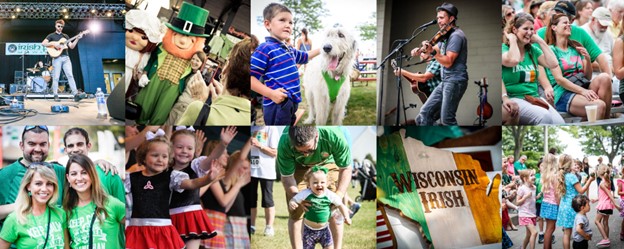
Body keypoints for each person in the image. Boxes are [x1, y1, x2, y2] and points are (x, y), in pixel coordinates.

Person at [124, 135, 222, 249]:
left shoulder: (171, 177)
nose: (160, 159)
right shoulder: (131, 178)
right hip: (137, 230)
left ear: (169, 159)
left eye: (164, 156)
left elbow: (192, 183)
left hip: (162, 230)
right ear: (143, 157)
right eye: (155, 155)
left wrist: (208, 178)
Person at [277, 126, 352, 249]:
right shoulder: (285, 143)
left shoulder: (333, 136)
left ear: (316, 136)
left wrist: (338, 196)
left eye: (309, 150)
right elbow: (287, 177)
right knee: (296, 211)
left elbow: (346, 169)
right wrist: (298, 199)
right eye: (301, 151)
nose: (306, 155)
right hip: (298, 165)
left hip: (326, 162)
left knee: (333, 208)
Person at [250, 3, 321, 125]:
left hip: (292, 102)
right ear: (268, 24)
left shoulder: (288, 48)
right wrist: (271, 94)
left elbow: (305, 56)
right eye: (282, 20)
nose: (288, 25)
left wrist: (322, 49)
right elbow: (250, 78)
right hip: (277, 105)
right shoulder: (265, 48)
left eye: (290, 22)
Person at [168, 128, 237, 249]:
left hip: (191, 216)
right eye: (179, 147)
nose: (184, 151)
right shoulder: (165, 170)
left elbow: (211, 158)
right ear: (171, 147)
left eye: (189, 148)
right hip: (169, 218)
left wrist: (223, 144)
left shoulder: (195, 166)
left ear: (195, 150)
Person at [544, 13, 612, 120]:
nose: (569, 25)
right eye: (565, 23)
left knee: (605, 77)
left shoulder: (574, 48)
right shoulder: (551, 50)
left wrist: (587, 59)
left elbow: (587, 77)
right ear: (554, 28)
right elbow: (559, 80)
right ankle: (596, 126)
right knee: (599, 106)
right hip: (563, 92)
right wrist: (583, 92)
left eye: (569, 23)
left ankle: (604, 123)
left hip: (581, 86)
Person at [178, 37, 258, 125]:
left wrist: (201, 102)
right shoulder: (252, 118)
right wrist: (218, 103)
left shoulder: (197, 109)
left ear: (225, 69)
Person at [0, 126, 66, 231]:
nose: (38, 149)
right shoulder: (5, 175)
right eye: (32, 144)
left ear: (48, 145)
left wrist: (97, 163)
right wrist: (21, 205)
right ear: (22, 145)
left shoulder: (59, 171)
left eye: (43, 144)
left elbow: (81, 175)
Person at [411, 2, 468, 125]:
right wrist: (421, 50)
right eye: (437, 18)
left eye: (441, 17)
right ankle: (432, 140)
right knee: (423, 116)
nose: (438, 21)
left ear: (451, 18)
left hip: (455, 81)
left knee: (447, 119)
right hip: (446, 81)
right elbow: (435, 49)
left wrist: (432, 52)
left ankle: (454, 142)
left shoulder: (456, 36)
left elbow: (447, 62)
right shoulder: (445, 36)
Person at [502, 12, 564, 124]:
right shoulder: (503, 49)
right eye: (525, 29)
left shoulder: (532, 50)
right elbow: (513, 60)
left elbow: (553, 64)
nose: (529, 32)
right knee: (544, 116)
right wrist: (512, 40)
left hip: (534, 98)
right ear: (515, 30)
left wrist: (540, 41)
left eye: (532, 29)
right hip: (515, 98)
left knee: (560, 123)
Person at [63, 154, 125, 249]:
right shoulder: (66, 211)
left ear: (92, 175)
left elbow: (137, 226)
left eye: (84, 172)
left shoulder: (111, 203)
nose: (79, 178)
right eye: (74, 174)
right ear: (68, 178)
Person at [0, 165, 67, 249]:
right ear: (28, 186)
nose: (44, 189)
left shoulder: (60, 213)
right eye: (38, 183)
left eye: (49, 184)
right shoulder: (14, 219)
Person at [288, 166, 352, 249]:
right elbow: (294, 199)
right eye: (315, 182)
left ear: (327, 183)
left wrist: (347, 217)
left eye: (322, 182)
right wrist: (292, 203)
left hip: (324, 230)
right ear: (308, 184)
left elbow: (341, 205)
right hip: (308, 231)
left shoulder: (330, 195)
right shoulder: (305, 193)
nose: (319, 185)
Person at [63, 127, 124, 202]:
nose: (75, 149)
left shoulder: (108, 173)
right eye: (70, 146)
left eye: (79, 144)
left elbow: (123, 209)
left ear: (88, 146)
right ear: (65, 150)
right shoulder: (63, 175)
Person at [557, 154, 595, 249]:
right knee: (579, 229)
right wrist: (590, 180)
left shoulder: (562, 176)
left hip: (564, 205)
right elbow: (581, 190)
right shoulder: (571, 176)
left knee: (566, 233)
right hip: (574, 206)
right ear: (569, 164)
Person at [41, 19, 83, 101]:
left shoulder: (65, 36)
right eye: (58, 26)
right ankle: (55, 94)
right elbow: (43, 43)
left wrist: (77, 38)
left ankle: (75, 94)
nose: (60, 28)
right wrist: (54, 43)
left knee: (70, 75)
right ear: (55, 26)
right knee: (56, 77)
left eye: (61, 27)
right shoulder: (51, 35)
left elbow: (71, 46)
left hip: (66, 58)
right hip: (56, 58)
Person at [249, 126, 279, 236]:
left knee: (267, 200)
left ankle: (269, 227)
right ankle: (251, 226)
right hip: (250, 170)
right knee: (251, 200)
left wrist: (259, 145)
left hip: (266, 171)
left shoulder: (271, 128)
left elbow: (274, 153)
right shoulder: (251, 125)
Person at [166, 51, 209, 125]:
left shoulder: (198, 77)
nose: (194, 62)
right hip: (180, 103)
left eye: (197, 60)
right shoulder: (190, 73)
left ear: (202, 63)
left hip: (184, 107)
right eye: (193, 59)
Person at [593, 164, 622, 247]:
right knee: (605, 222)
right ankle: (606, 239)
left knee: (597, 221)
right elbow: (605, 195)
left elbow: (609, 195)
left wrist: (616, 205)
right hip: (607, 205)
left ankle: (605, 239)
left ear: (599, 173)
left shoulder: (602, 183)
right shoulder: (608, 182)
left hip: (603, 206)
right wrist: (596, 199)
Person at [580, 7, 615, 71]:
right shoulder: (582, 32)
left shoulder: (609, 34)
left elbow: (615, 56)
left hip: (611, 73)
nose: (604, 28)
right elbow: (581, 61)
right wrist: (606, 67)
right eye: (602, 24)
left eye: (606, 25)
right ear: (593, 19)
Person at [516, 169, 539, 249]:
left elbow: (532, 199)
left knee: (528, 235)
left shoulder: (534, 187)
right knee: (534, 232)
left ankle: (523, 248)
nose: (534, 177)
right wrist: (525, 197)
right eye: (531, 175)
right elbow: (517, 202)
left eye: (534, 175)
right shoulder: (521, 188)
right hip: (524, 214)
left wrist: (537, 197)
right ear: (525, 179)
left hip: (532, 213)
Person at [540, 154, 558, 248]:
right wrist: (560, 205)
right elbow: (556, 193)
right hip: (553, 204)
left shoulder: (544, 175)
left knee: (549, 228)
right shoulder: (554, 176)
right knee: (550, 230)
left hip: (545, 203)